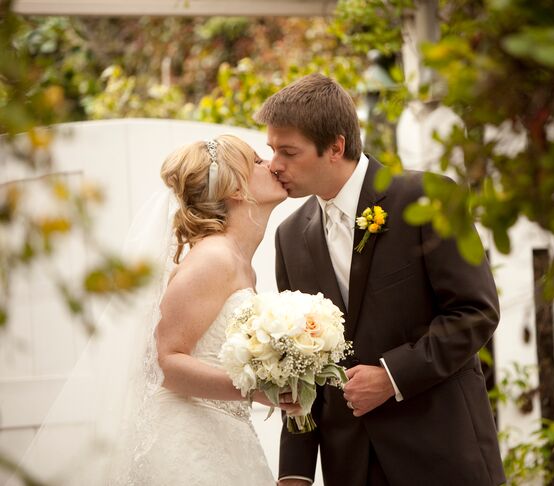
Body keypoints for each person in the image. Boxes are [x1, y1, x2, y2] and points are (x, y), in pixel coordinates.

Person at [255, 74, 506, 486]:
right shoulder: (289, 237)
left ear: (335, 147)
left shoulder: (428, 199)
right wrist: (295, 474)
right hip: (350, 467)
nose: (274, 165)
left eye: (288, 151)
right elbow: (300, 367)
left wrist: (392, 376)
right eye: (271, 150)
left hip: (443, 455)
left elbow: (475, 312)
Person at [15, 134, 299, 485]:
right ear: (236, 189)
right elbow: (165, 361)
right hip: (188, 441)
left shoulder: (239, 262)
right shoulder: (214, 258)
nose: (270, 164)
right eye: (257, 161)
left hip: (225, 434)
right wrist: (254, 389)